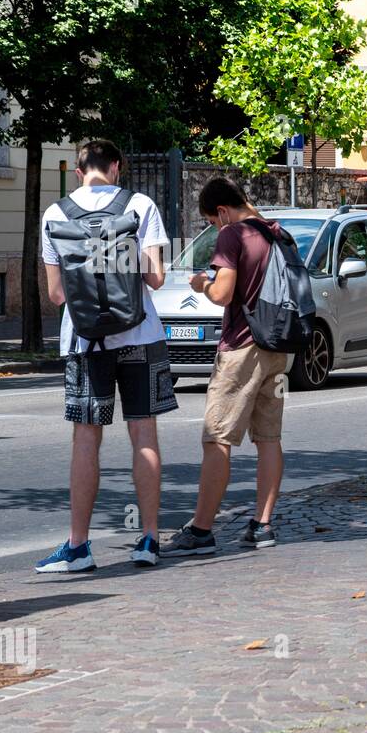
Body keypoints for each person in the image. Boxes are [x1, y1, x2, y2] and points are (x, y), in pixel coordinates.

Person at [36, 139, 176, 572]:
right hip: (140, 335)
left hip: (84, 341)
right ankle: (150, 539)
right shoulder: (140, 205)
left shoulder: (55, 214)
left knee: (85, 441)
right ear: (116, 167)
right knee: (144, 435)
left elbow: (57, 294)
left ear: (79, 172)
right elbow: (155, 278)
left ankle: (79, 546)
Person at [161, 178, 287, 557]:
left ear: (221, 211)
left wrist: (202, 283)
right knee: (269, 438)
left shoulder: (233, 234)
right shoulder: (277, 232)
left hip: (242, 348)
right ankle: (262, 525)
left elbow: (224, 292)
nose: (216, 228)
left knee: (217, 437)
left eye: (213, 221)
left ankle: (201, 530)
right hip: (277, 347)